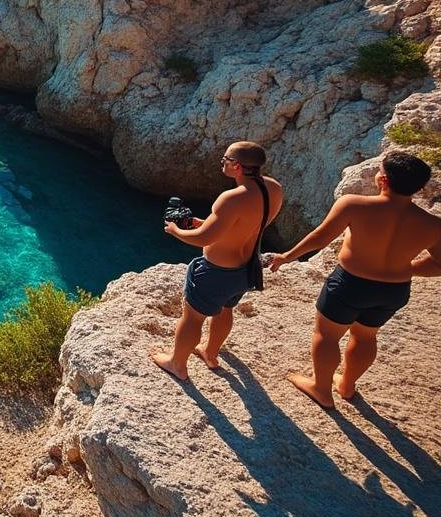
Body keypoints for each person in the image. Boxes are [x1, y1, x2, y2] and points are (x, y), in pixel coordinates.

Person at [268, 151, 441, 409]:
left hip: (350, 284)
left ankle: (321, 389)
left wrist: (286, 257)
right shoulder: (433, 225)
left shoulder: (354, 205)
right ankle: (347, 386)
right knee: (365, 337)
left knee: (327, 336)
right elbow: (438, 264)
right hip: (394, 291)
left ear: (382, 180)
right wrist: (405, 269)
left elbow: (320, 238)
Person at [152, 141, 284, 381]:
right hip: (246, 268)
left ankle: (177, 364)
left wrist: (176, 231)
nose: (222, 163)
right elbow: (243, 224)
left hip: (217, 271)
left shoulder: (231, 198)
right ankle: (210, 353)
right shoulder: (273, 189)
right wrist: (202, 222)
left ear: (237, 166)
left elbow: (204, 238)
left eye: (224, 159)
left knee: (193, 316)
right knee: (225, 309)